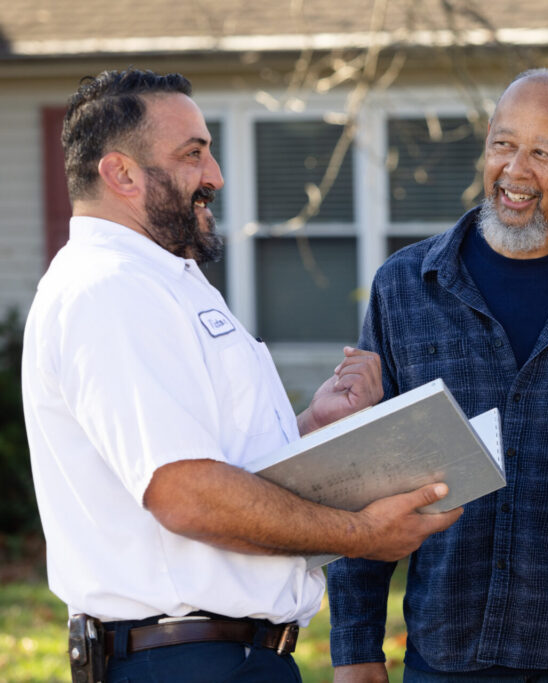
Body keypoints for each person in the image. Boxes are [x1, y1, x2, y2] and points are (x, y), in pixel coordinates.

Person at [21, 68, 462, 682]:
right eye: (193, 154)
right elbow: (185, 493)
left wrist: (313, 423)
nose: (216, 177)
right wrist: (362, 533)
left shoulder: (164, 280)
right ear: (121, 173)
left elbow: (218, 462)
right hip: (181, 660)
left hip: (224, 656)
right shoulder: (108, 291)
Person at [326, 68, 548, 682]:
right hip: (447, 650)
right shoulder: (406, 288)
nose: (516, 171)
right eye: (503, 145)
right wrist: (356, 649)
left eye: (543, 153)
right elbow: (366, 474)